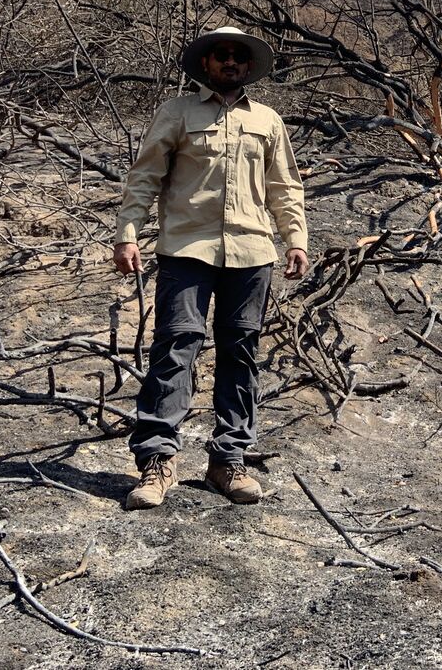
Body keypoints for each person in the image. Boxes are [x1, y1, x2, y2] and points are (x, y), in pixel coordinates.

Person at [112, 26, 309, 510]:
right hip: (186, 250)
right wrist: (127, 233)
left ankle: (229, 460)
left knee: (240, 352)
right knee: (175, 348)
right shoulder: (176, 112)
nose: (230, 63)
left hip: (253, 253)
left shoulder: (267, 120)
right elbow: (146, 177)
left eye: (238, 57)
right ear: (206, 63)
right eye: (221, 55)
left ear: (248, 66)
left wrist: (296, 240)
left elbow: (284, 187)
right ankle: (157, 462)